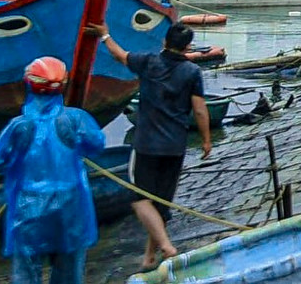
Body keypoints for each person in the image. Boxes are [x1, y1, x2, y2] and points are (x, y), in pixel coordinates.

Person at [89, 21, 211, 271]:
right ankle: (149, 258)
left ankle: (166, 246)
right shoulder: (192, 72)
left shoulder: (148, 62)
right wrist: (207, 140)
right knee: (160, 204)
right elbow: (199, 110)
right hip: (175, 146)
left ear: (165, 42)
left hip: (146, 144)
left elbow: (118, 55)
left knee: (138, 199)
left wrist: (104, 34)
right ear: (188, 47)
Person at [0, 56, 106, 284]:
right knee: (69, 269)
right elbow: (96, 146)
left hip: (29, 205)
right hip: (70, 204)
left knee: (27, 270)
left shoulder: (19, 126)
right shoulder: (75, 119)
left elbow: (1, 161)